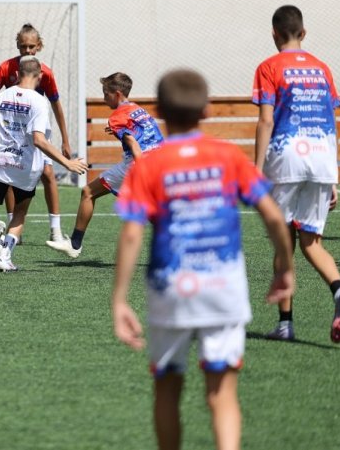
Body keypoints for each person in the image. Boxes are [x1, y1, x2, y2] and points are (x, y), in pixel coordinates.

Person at [112, 69, 295, 450]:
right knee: (221, 393)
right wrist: (286, 268)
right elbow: (274, 216)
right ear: (207, 110)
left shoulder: (147, 166)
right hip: (223, 287)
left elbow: (131, 233)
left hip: (171, 288)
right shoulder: (227, 155)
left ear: (160, 112)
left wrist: (119, 299)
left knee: (167, 388)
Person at [253, 5, 340, 343]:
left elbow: (266, 120)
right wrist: (333, 176)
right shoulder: (322, 68)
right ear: (304, 32)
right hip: (322, 159)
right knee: (312, 242)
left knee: (284, 246)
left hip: (286, 159)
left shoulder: (269, 67)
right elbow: (330, 120)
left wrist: (257, 170)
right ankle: (339, 290)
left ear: (274, 34)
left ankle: (285, 324)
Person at [0, 55, 87, 271]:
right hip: (26, 167)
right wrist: (67, 162)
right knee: (19, 214)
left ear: (17, 74)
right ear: (40, 76)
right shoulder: (39, 102)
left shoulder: (1, 96)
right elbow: (39, 140)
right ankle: (5, 258)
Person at [47, 72, 163, 258]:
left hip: (137, 163)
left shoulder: (116, 117)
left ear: (117, 94)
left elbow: (133, 144)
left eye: (106, 93)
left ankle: (75, 245)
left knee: (88, 192)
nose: (103, 98)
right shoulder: (138, 109)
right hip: (160, 159)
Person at [0, 23, 71, 243]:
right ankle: (13, 227)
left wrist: (65, 140)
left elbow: (56, 106)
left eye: (31, 46)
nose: (27, 50)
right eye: (23, 46)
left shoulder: (45, 73)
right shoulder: (6, 68)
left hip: (37, 130)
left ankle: (55, 230)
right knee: (9, 173)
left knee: (48, 173)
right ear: (17, 45)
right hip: (13, 130)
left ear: (39, 46)